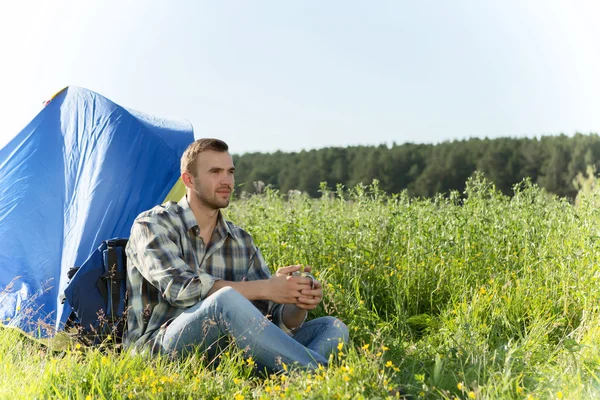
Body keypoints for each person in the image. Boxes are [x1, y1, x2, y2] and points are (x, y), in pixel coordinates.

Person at [124, 138, 348, 372]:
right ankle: (320, 377)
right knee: (225, 299)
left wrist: (296, 299)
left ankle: (292, 378)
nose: (226, 181)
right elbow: (181, 289)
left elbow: (271, 320)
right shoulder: (152, 224)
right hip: (159, 350)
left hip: (228, 352)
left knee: (331, 326)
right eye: (215, 172)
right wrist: (267, 287)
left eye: (230, 172)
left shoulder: (242, 240)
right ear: (189, 180)